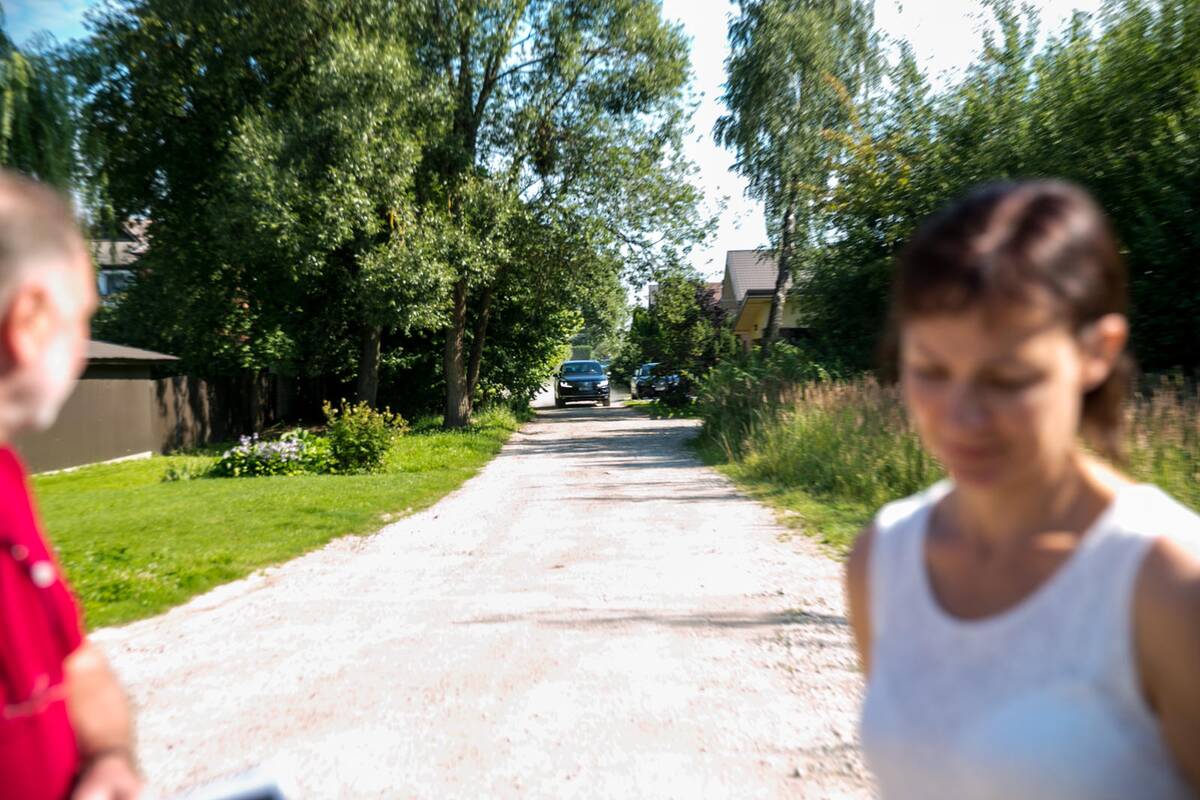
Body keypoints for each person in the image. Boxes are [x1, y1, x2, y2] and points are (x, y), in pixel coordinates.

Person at [846, 180, 1200, 799]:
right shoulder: (883, 558)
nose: (962, 417)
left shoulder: (1169, 584)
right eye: (931, 370)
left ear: (1097, 352)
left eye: (1009, 378)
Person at [0, 171, 142, 799]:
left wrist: (110, 758)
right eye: (81, 317)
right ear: (29, 321)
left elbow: (74, 659)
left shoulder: (8, 480)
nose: (83, 348)